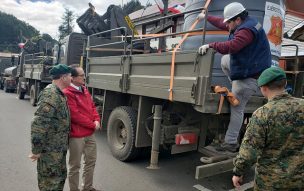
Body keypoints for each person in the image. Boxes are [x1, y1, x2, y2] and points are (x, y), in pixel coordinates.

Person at [198, 2, 272, 152]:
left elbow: (232, 46)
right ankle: (237, 84)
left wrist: (211, 45)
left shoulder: (246, 31)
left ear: (237, 20)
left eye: (229, 22)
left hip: (252, 76)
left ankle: (231, 142)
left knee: (237, 107)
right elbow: (222, 23)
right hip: (249, 67)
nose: (227, 25)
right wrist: (206, 17)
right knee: (226, 60)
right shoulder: (242, 23)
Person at [232, 67, 304, 190]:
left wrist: (238, 172)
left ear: (263, 89)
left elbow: (249, 152)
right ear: (285, 83)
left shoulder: (262, 114)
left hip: (269, 183)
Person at [29, 64, 72, 191]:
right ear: (63, 77)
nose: (71, 79)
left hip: (57, 151)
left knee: (57, 182)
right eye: (70, 76)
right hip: (50, 152)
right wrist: (36, 150)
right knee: (49, 185)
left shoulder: (58, 94)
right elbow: (39, 124)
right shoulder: (51, 94)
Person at [63, 64, 101, 191]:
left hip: (89, 134)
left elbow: (92, 106)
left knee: (91, 162)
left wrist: (97, 119)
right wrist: (92, 124)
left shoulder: (84, 89)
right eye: (82, 75)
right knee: (75, 166)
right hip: (77, 136)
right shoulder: (68, 92)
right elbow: (75, 115)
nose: (85, 77)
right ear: (72, 78)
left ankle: (87, 187)